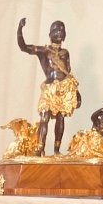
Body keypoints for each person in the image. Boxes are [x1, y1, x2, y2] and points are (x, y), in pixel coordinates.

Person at [17, 17, 81, 155]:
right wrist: (19, 30)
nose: (60, 31)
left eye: (62, 29)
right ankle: (40, 147)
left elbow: (68, 72)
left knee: (60, 117)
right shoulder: (44, 51)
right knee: (44, 117)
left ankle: (57, 150)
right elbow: (24, 47)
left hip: (64, 88)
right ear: (50, 34)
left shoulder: (65, 53)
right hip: (50, 88)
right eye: (56, 29)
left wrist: (76, 92)